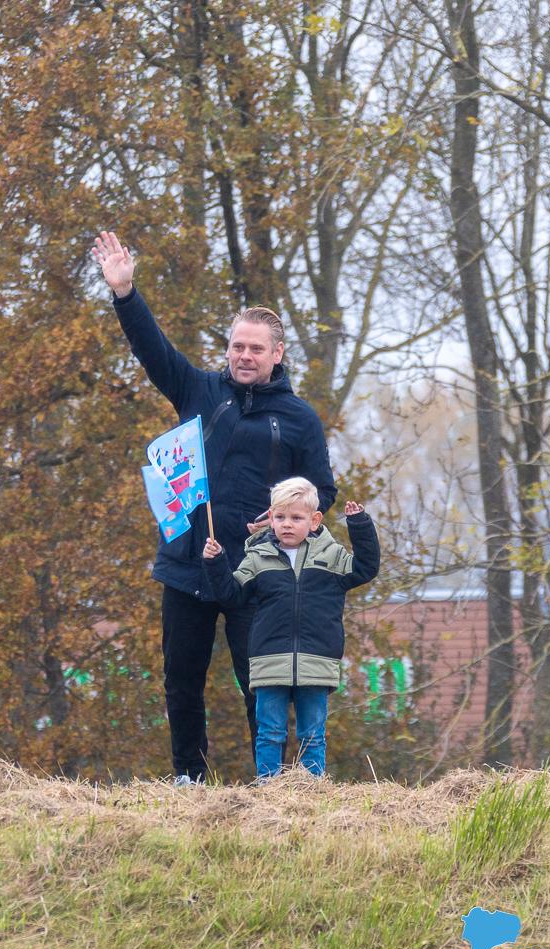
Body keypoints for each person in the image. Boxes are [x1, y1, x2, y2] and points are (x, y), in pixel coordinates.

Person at [91, 230, 337, 783]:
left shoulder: (299, 419)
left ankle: (271, 782)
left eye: (256, 349)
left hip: (257, 570)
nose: (244, 356)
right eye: (237, 346)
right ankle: (189, 778)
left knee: (259, 683)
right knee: (181, 679)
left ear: (277, 354)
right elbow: (152, 349)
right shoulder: (198, 391)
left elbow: (323, 491)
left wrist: (284, 516)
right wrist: (125, 292)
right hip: (188, 562)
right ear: (227, 349)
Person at [202, 478, 378, 778]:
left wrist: (359, 525)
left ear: (314, 520)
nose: (287, 524)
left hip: (316, 660)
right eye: (281, 517)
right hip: (269, 660)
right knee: (269, 732)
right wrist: (216, 562)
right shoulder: (257, 558)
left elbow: (366, 567)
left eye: (296, 518)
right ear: (270, 518)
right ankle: (269, 788)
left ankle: (311, 787)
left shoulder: (332, 556)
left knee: (313, 734)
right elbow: (231, 594)